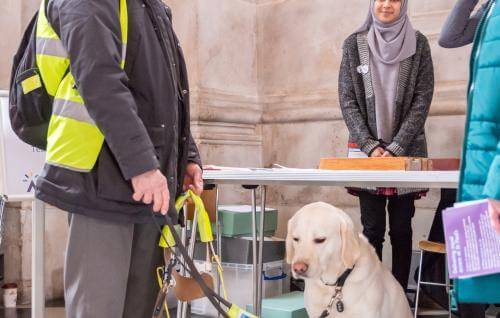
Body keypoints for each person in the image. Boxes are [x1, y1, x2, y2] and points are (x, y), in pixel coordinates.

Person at [34, 0, 203, 317]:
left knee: (138, 308)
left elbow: (164, 94)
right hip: (100, 180)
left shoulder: (150, 6)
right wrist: (142, 164)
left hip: (145, 181)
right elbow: (99, 79)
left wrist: (186, 157)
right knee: (98, 308)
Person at [339, 0, 434, 291]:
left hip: (405, 153)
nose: (386, 4)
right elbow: (347, 99)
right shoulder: (354, 44)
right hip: (367, 154)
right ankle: (373, 294)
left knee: (402, 230)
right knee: (372, 230)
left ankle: (399, 296)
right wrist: (369, 146)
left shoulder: (419, 44)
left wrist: (395, 148)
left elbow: (422, 99)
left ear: (403, 4)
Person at [439, 1, 499, 317]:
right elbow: (449, 36)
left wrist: (497, 186)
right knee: (469, 294)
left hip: (492, 181)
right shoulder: (492, 7)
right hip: (481, 173)